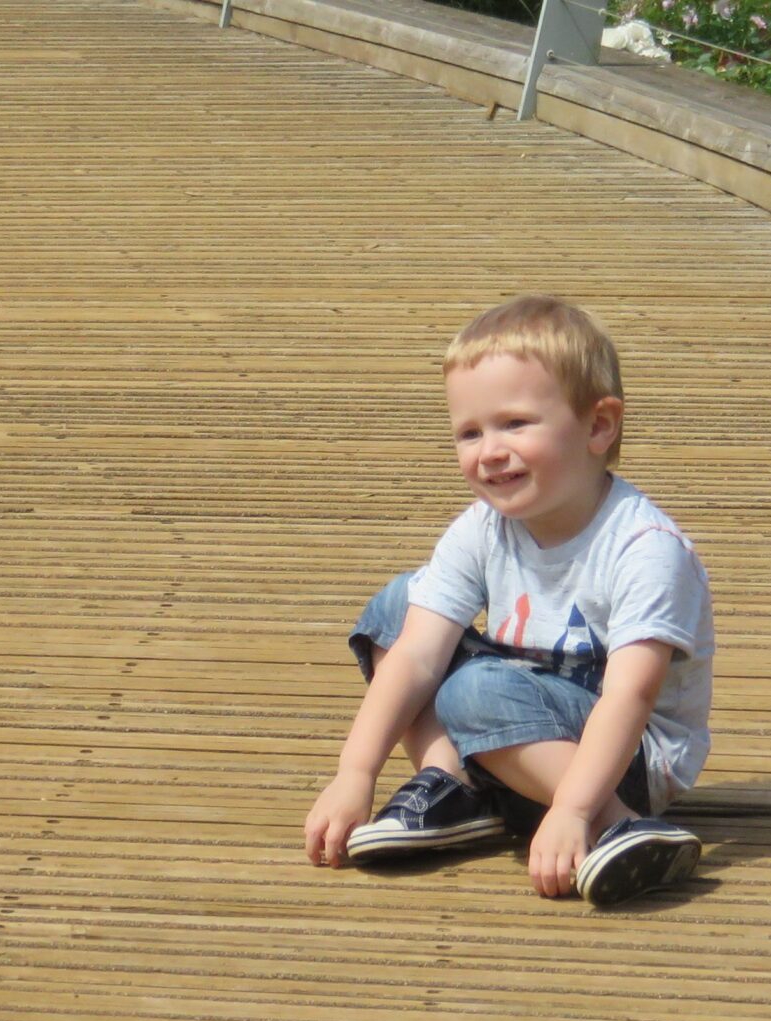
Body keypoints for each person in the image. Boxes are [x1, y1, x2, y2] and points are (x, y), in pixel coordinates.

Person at [301, 294, 714, 905]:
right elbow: (414, 657)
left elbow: (632, 693)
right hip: (516, 714)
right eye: (470, 432)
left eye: (515, 424)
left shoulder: (643, 548)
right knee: (401, 604)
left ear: (599, 426)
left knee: (475, 691)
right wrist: (353, 774)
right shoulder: (482, 527)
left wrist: (573, 809)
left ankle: (617, 824)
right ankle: (454, 785)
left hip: (628, 754)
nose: (489, 451)